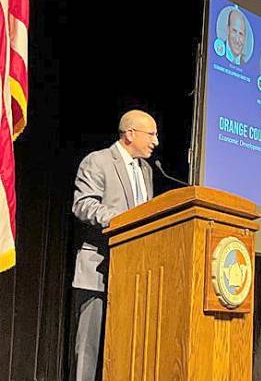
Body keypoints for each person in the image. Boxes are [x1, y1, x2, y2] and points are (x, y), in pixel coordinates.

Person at [70, 110, 159, 381]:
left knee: (126, 345)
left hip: (134, 271)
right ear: (130, 134)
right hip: (98, 268)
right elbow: (82, 205)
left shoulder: (146, 171)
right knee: (88, 348)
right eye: (151, 134)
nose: (156, 141)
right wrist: (120, 220)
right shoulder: (97, 161)